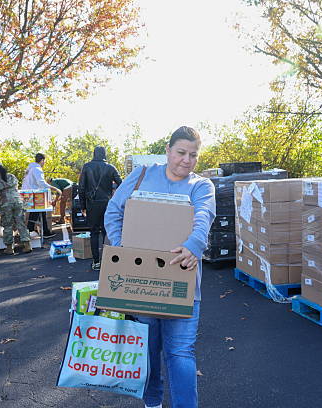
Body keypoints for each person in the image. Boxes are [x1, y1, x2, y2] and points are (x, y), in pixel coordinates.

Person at [104, 126, 216, 408]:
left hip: (182, 285)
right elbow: (114, 211)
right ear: (168, 150)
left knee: (180, 354)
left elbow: (204, 216)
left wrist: (193, 246)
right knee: (147, 353)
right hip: (140, 283)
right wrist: (123, 246)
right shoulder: (142, 176)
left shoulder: (201, 186)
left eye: (193, 155)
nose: (186, 160)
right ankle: (152, 402)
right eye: (181, 152)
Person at [79, 146, 122, 270]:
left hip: (92, 204)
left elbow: (81, 188)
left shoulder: (87, 167)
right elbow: (122, 184)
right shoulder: (110, 167)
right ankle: (108, 261)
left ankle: (96, 262)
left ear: (94, 154)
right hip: (107, 204)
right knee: (107, 232)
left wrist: (83, 206)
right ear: (104, 154)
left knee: (94, 232)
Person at [0, 163, 32, 255]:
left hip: (6, 203)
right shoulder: (12, 176)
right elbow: (16, 188)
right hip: (18, 201)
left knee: (8, 225)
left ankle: (10, 248)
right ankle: (27, 245)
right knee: (20, 223)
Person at [21, 153, 61, 237]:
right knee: (37, 211)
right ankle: (30, 230)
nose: (44, 163)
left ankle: (44, 231)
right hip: (33, 194)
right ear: (42, 160)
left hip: (26, 194)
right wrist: (55, 189)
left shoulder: (29, 168)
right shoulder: (37, 169)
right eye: (44, 161)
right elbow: (41, 183)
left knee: (40, 211)